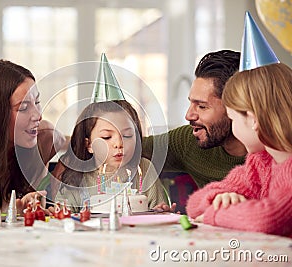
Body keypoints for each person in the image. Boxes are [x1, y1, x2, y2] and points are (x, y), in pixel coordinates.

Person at [186, 12, 292, 237]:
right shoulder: (260, 162)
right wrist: (219, 199)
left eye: (233, 119)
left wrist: (217, 214)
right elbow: (194, 205)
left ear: (253, 119)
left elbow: (267, 219)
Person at [0, 59, 67, 212]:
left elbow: (72, 141)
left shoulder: (44, 139)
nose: (38, 115)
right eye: (23, 107)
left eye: (37, 102)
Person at [142, 50, 247, 189]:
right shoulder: (188, 141)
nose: (189, 115)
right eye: (191, 103)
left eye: (202, 106)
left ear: (236, 107)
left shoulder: (274, 157)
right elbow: (134, 148)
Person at [55, 100, 167, 212]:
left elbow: (159, 213)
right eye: (106, 137)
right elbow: (62, 217)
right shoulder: (77, 177)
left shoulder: (144, 168)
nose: (119, 144)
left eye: (127, 136)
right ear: (89, 144)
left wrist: (161, 211)